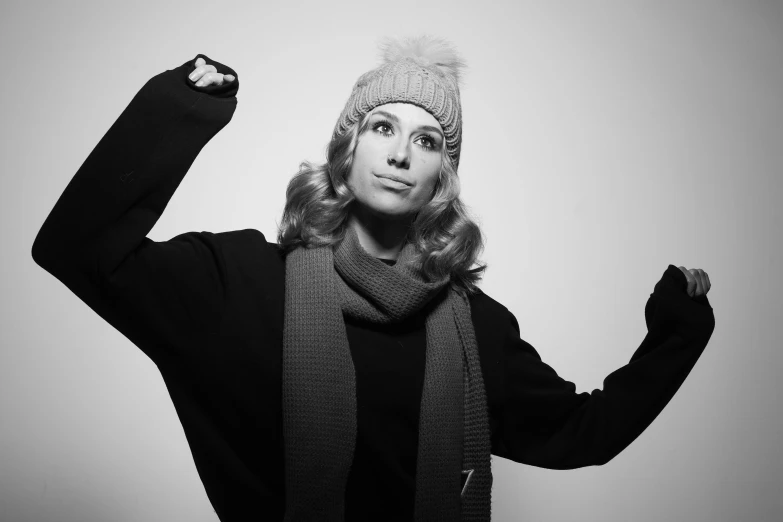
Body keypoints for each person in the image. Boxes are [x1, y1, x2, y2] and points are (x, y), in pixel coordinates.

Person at [32, 36, 715, 522]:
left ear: (442, 179)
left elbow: (581, 433)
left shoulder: (476, 326)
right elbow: (79, 248)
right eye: (381, 126)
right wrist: (180, 108)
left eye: (427, 141)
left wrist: (676, 333)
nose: (399, 153)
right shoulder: (236, 284)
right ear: (345, 150)